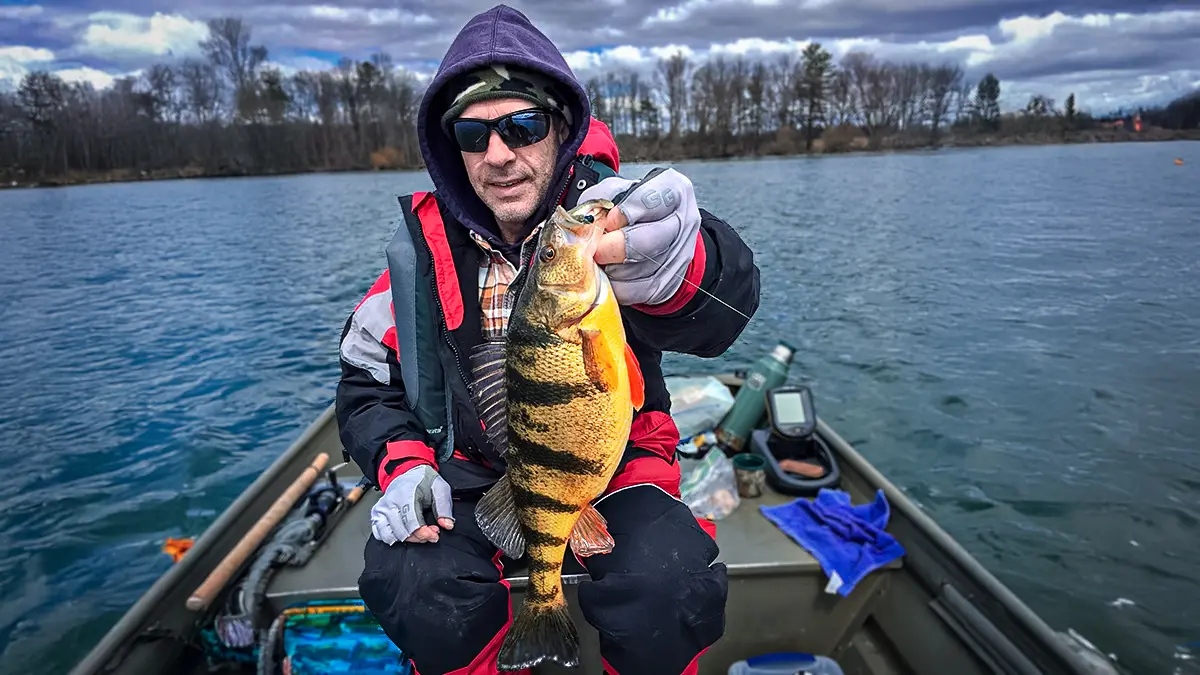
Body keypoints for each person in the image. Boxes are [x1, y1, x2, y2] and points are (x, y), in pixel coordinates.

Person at [334, 4, 761, 674]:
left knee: (672, 586)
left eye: (522, 126)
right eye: (474, 135)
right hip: (468, 477)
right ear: (452, 149)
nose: (499, 154)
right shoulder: (418, 257)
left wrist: (686, 265)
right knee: (413, 589)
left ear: (560, 128)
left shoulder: (610, 219)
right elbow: (365, 384)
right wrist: (405, 463)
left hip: (616, 462)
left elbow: (723, 308)